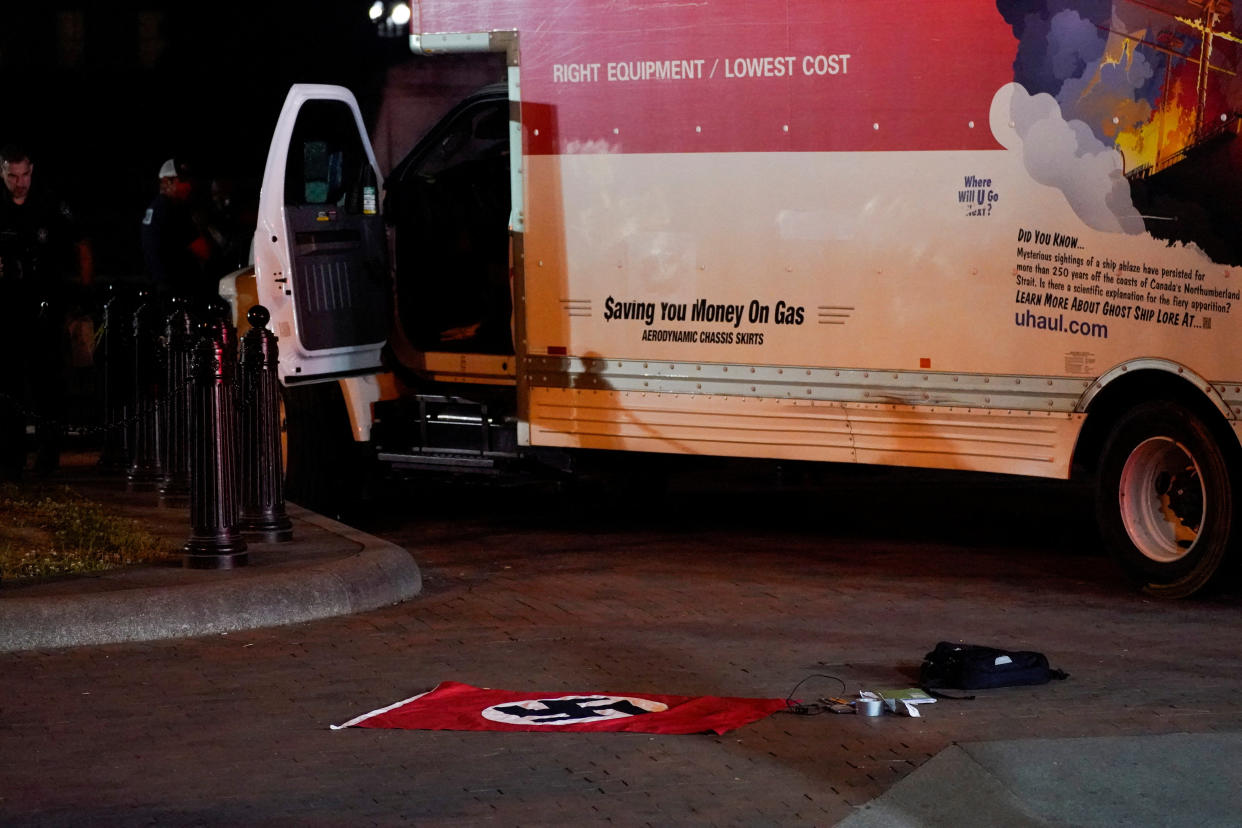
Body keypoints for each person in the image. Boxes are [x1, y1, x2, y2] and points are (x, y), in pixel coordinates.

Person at [0, 144, 94, 478]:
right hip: (8, 310)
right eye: (12, 175)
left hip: (46, 308)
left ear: (32, 170)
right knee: (8, 386)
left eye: (24, 174)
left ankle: (47, 456)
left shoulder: (49, 202)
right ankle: (10, 457)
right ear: (2, 172)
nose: (19, 182)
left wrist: (82, 295)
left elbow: (82, 242)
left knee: (47, 386)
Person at [140, 157, 213, 304]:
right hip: (179, 292)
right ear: (167, 181)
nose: (188, 186)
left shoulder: (155, 207)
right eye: (183, 181)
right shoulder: (173, 209)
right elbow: (205, 252)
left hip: (160, 288)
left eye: (189, 181)